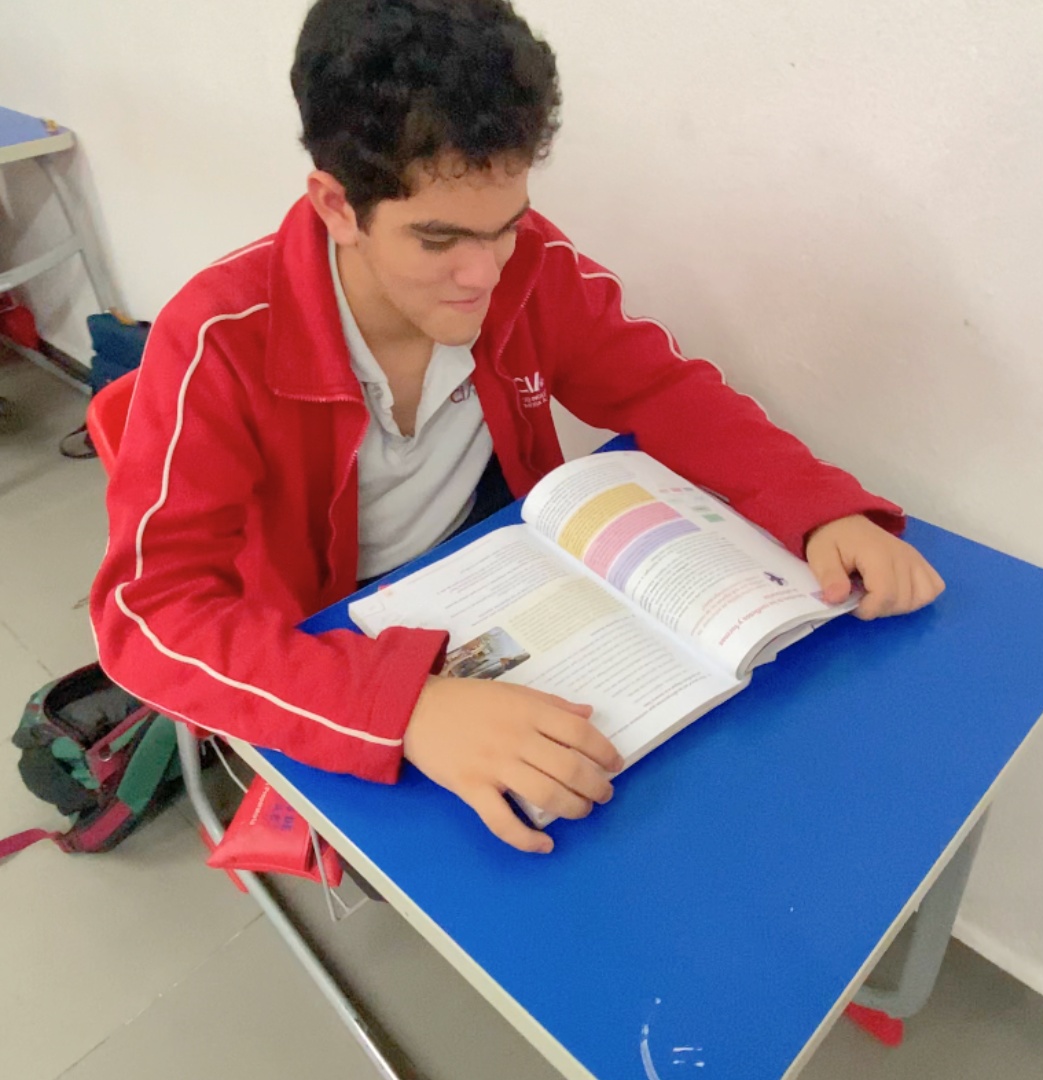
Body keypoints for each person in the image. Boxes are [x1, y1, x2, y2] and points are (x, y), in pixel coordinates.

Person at [90, 0, 944, 854]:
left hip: (500, 576)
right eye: (438, 240)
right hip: (336, 638)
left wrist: (818, 506)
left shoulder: (531, 264)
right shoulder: (218, 340)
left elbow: (662, 389)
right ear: (338, 206)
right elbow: (147, 616)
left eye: (505, 226)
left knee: (683, 797)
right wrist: (405, 707)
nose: (483, 274)